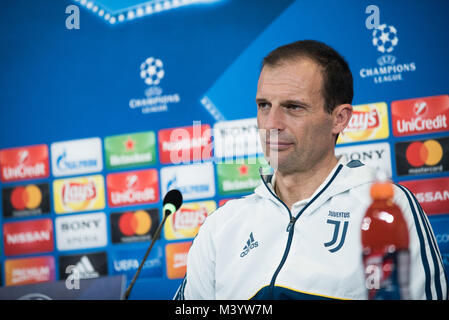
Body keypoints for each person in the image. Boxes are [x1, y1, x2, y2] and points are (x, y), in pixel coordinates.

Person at [174, 40, 448, 300]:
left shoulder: (386, 209)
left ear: (339, 119)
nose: (272, 123)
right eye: (264, 106)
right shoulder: (222, 225)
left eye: (293, 107)